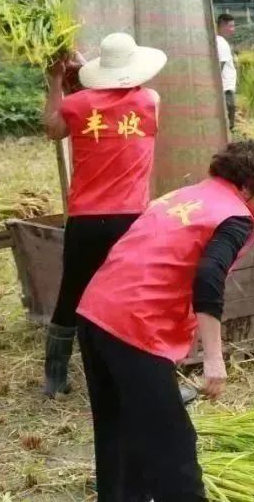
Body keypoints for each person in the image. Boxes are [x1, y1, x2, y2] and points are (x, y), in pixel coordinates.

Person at [75, 141, 254, 502]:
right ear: (250, 187)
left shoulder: (181, 196)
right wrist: (214, 358)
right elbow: (208, 277)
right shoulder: (233, 214)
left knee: (118, 432)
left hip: (95, 311)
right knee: (172, 443)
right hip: (134, 325)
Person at [41, 32, 167, 398]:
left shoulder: (77, 106)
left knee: (73, 290)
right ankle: (145, 375)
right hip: (130, 219)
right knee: (137, 296)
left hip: (85, 218)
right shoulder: (150, 101)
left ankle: (55, 377)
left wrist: (55, 82)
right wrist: (85, 74)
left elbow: (52, 127)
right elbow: (124, 90)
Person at [216, 14, 237, 132]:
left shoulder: (220, 41)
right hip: (226, 85)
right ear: (222, 25)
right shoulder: (221, 42)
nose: (233, 29)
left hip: (225, 84)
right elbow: (220, 65)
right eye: (231, 26)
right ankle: (229, 132)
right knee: (230, 108)